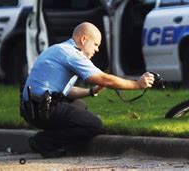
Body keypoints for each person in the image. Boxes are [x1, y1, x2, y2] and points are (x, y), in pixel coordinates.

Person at [20, 22, 156, 158]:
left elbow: (66, 91)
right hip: (42, 110)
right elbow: (105, 79)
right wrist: (137, 84)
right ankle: (44, 142)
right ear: (83, 39)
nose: (97, 50)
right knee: (93, 124)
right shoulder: (72, 55)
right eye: (96, 44)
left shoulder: (59, 49)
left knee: (80, 107)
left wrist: (91, 92)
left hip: (34, 108)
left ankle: (53, 139)